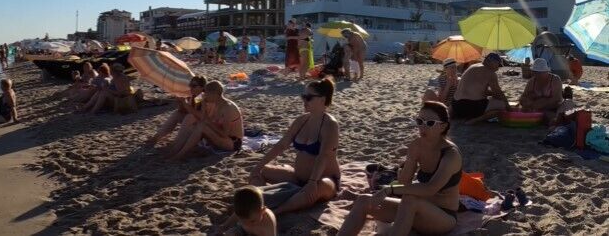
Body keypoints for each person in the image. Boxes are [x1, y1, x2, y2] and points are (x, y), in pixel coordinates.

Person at [337, 102, 462, 236]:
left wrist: (388, 189)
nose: (422, 127)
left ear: (443, 126)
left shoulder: (450, 154)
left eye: (430, 123)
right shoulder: (416, 145)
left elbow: (430, 188)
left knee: (409, 199)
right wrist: (409, 161)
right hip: (412, 210)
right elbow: (404, 182)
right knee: (363, 201)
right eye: (419, 121)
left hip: (443, 216)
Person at [248, 77, 341, 214]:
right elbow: (281, 145)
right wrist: (258, 166)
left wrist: (313, 181)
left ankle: (275, 212)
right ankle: (263, 202)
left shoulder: (330, 125)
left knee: (317, 189)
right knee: (259, 171)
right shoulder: (301, 120)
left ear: (322, 99)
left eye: (308, 97)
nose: (304, 100)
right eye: (303, 96)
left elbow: (324, 156)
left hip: (322, 180)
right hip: (298, 178)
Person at [165, 80, 244, 161]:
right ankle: (174, 150)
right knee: (194, 126)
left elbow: (224, 134)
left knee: (201, 126)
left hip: (233, 142)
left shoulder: (228, 108)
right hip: (221, 138)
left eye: (206, 93)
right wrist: (186, 103)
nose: (204, 95)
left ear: (214, 94)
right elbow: (198, 112)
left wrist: (208, 122)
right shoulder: (212, 101)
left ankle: (179, 155)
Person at [145, 75, 208, 147]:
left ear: (202, 87)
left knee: (189, 117)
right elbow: (185, 111)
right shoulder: (194, 96)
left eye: (194, 86)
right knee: (177, 114)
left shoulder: (202, 96)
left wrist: (185, 103)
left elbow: (196, 114)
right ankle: (156, 137)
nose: (191, 88)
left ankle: (177, 142)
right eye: (190, 85)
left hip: (203, 125)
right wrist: (181, 104)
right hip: (194, 121)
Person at [452, 53, 511, 124]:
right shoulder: (490, 73)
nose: (498, 68)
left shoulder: (472, 66)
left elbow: (477, 89)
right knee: (501, 106)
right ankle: (475, 120)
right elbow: (498, 93)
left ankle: (460, 116)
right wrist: (508, 106)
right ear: (491, 62)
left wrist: (491, 93)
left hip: (456, 106)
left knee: (491, 100)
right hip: (472, 107)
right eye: (498, 65)